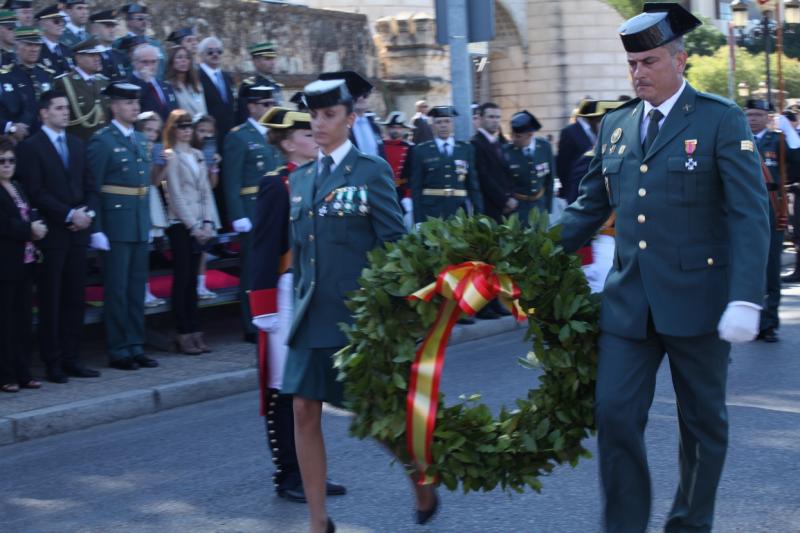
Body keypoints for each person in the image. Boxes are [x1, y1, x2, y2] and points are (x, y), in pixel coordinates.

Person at [555, 4, 771, 532]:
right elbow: (587, 208)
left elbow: (749, 213)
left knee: (701, 426)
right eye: (631, 64)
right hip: (629, 304)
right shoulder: (616, 124)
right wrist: (522, 257)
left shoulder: (720, 119)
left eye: (648, 61)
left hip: (699, 301)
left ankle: (688, 524)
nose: (638, 73)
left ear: (680, 61)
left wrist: (746, 296)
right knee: (614, 415)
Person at [286, 77, 431, 533]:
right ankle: (317, 520)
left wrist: (405, 311)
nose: (319, 124)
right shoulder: (302, 177)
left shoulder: (371, 171)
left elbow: (395, 245)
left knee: (374, 419)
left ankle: (421, 480)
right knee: (303, 409)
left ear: (350, 119)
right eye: (314, 116)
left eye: (329, 115)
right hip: (310, 316)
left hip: (357, 320)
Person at [248, 105, 346, 503]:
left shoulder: (325, 177)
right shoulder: (277, 185)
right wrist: (264, 306)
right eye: (306, 134)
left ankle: (312, 473)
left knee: (313, 383)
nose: (315, 136)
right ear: (288, 143)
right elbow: (262, 248)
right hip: (288, 291)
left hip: (320, 291)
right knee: (285, 386)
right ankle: (288, 475)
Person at [17, 90, 99, 383]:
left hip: (78, 232)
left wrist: (86, 213)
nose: (66, 112)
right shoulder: (31, 147)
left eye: (67, 108)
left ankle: (72, 357)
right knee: (52, 299)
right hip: (53, 234)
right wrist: (68, 214)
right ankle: (52, 361)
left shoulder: (77, 144)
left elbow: (90, 185)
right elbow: (35, 191)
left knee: (75, 298)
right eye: (59, 108)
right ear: (44, 113)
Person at [87, 81, 158, 371]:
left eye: (136, 102)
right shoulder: (102, 140)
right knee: (116, 289)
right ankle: (118, 349)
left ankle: (135, 344)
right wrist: (97, 228)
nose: (135, 107)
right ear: (114, 106)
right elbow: (94, 187)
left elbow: (144, 186)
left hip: (139, 223)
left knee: (135, 287)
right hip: (115, 225)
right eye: (128, 102)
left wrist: (149, 224)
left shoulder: (141, 140)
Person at [222, 84, 279, 341]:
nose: (270, 108)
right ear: (252, 106)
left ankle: (271, 315)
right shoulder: (239, 136)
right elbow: (230, 180)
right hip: (251, 209)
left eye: (271, 103)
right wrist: (237, 215)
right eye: (265, 104)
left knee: (275, 266)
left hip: (275, 207)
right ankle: (251, 323)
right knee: (252, 270)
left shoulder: (275, 133)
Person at [162, 109, 220, 354]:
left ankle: (196, 329)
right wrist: (193, 226)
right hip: (181, 224)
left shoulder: (197, 154)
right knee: (183, 278)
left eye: (189, 126)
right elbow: (174, 195)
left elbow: (206, 190)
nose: (186, 130)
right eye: (181, 126)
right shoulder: (170, 156)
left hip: (200, 223)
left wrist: (207, 221)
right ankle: (183, 331)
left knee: (194, 281)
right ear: (173, 129)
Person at [744, 98, 800, 342]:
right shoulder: (738, 140)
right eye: (749, 114)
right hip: (742, 206)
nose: (752, 119)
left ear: (768, 117)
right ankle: (750, 320)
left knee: (770, 265)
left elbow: (797, 164)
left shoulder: (777, 141)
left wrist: (790, 135)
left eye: (757, 114)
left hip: (771, 205)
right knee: (745, 267)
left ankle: (768, 323)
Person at [0, 135, 45, 392]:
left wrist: (36, 226)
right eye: (1, 160)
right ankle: (6, 374)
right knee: (5, 322)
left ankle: (23, 371)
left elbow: (29, 212)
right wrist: (30, 229)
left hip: (25, 262)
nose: (7, 164)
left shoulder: (18, 186)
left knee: (23, 320)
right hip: (5, 266)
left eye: (10, 160)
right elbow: (5, 225)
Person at [565, 99, 624, 294]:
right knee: (600, 297)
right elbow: (577, 206)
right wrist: (584, 253)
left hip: (623, 243)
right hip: (601, 243)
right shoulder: (590, 160)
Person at [409, 105, 483, 223]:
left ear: (452, 124)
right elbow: (416, 187)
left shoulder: (466, 149)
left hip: (459, 212)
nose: (443, 125)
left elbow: (473, 185)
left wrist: (479, 215)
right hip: (431, 211)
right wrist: (418, 220)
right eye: (439, 122)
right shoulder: (421, 150)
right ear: (432, 125)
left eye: (447, 121)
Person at [134, 110, 168, 308]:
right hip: (137, 198)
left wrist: (163, 165)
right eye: (148, 129)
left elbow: (155, 181)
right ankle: (140, 290)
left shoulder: (156, 148)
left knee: (145, 249)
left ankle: (146, 290)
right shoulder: (134, 145)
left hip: (151, 196)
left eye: (155, 131)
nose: (151, 134)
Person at [0, 26, 54, 140]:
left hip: (44, 139)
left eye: (37, 45)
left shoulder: (45, 74)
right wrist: (10, 127)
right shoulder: (5, 76)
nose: (34, 49)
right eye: (29, 45)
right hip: (16, 140)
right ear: (17, 46)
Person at [53, 37, 109, 141]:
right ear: (78, 58)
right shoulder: (65, 82)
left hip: (104, 143)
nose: (97, 58)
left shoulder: (103, 81)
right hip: (80, 141)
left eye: (98, 54)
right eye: (92, 55)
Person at [503, 110, 554, 224]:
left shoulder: (545, 147)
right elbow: (502, 182)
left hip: (540, 206)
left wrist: (547, 210)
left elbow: (549, 180)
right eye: (512, 135)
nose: (513, 139)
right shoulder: (506, 151)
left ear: (530, 134)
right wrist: (507, 200)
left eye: (518, 136)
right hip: (518, 209)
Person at [319, 70, 385, 159]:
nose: (362, 98)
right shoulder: (340, 125)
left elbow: (381, 153)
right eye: (357, 95)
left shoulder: (374, 125)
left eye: (365, 95)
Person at [191, 114, 220, 300]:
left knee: (204, 249)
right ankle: (193, 285)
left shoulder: (210, 152)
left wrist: (214, 167)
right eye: (201, 131)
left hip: (206, 202)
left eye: (209, 131)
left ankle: (201, 285)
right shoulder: (188, 152)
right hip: (190, 204)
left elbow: (213, 184)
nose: (205, 135)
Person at [471, 102, 514, 223]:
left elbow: (509, 174)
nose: (495, 121)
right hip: (488, 209)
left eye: (498, 117)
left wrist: (511, 197)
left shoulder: (502, 143)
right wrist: (505, 200)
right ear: (481, 118)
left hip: (508, 208)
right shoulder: (475, 144)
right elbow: (484, 178)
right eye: (491, 117)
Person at [556, 98, 599, 204]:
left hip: (596, 189)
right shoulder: (569, 132)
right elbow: (562, 165)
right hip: (576, 190)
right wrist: (568, 190)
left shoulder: (597, 128)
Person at [197, 36, 235, 145]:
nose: (215, 54)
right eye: (210, 52)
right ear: (201, 55)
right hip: (208, 136)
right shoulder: (196, 77)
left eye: (219, 51)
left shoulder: (227, 77)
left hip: (229, 136)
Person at [379, 111, 414, 227]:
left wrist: (408, 196)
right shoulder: (379, 146)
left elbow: (413, 174)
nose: (395, 130)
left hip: (402, 193)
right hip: (382, 192)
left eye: (399, 127)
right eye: (392, 127)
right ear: (387, 129)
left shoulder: (410, 148)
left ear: (404, 130)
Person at [128, 43, 177, 121]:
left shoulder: (165, 85)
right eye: (145, 62)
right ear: (135, 62)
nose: (150, 66)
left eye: (153, 62)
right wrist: (145, 83)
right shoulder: (127, 84)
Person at [113, 3, 164, 77]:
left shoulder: (155, 44)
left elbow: (162, 68)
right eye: (140, 18)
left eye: (147, 18)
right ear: (128, 22)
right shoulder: (119, 44)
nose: (144, 21)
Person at [236, 41, 283, 122]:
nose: (272, 62)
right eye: (268, 59)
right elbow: (243, 116)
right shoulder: (249, 86)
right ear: (256, 62)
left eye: (273, 58)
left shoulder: (275, 85)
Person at [165, 45, 206, 117]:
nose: (184, 60)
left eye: (187, 58)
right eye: (179, 57)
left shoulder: (197, 85)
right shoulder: (167, 87)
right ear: (172, 62)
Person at [90, 8, 127, 81]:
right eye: (107, 26)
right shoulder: (89, 55)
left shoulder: (119, 55)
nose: (112, 30)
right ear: (95, 29)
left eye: (113, 26)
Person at [35, 4, 72, 76]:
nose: (61, 24)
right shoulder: (37, 50)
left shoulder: (66, 49)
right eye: (56, 21)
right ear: (42, 24)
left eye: (62, 21)